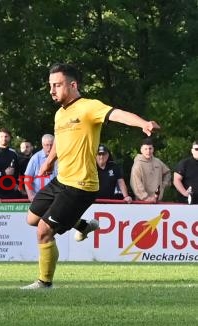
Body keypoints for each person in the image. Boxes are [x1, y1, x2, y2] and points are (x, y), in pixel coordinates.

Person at [22, 63, 160, 290]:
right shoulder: (60, 114)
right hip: (61, 180)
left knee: (43, 231)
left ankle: (44, 283)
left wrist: (143, 123)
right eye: (50, 86)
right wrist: (48, 161)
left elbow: (117, 114)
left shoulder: (89, 107)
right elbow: (59, 139)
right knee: (31, 219)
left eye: (57, 85)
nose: (52, 90)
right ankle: (83, 225)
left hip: (81, 185)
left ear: (73, 85)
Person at [130, 137, 171, 202]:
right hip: (142, 202)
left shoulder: (158, 162)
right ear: (141, 150)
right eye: (145, 149)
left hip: (158, 201)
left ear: (153, 149)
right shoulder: (138, 164)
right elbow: (136, 183)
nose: (148, 151)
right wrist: (145, 198)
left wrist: (163, 185)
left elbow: (167, 172)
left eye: (150, 148)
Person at [24, 134, 57, 201]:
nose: (49, 148)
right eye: (47, 145)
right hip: (40, 197)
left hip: (56, 197)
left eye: (51, 145)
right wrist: (30, 195)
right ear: (42, 145)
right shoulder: (35, 158)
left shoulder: (59, 157)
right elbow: (27, 178)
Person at [172, 140, 198, 204]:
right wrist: (185, 193)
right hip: (188, 202)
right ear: (192, 150)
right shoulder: (185, 163)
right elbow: (176, 180)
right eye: (196, 149)